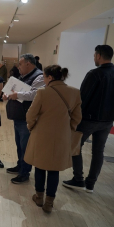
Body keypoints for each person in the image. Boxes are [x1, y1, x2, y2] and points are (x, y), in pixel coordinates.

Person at [63, 45, 114, 193]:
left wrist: (74, 115)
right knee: (99, 151)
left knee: (75, 147)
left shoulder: (94, 74)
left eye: (94, 55)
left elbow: (82, 98)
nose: (94, 58)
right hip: (108, 121)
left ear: (99, 56)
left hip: (88, 119)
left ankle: (78, 179)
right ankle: (90, 184)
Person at [24, 65, 82, 213]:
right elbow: (77, 117)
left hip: (42, 134)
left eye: (44, 76)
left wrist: (31, 127)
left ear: (50, 77)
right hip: (62, 136)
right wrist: (68, 130)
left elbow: (31, 115)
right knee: (54, 170)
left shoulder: (43, 92)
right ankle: (49, 203)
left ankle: (39, 197)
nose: (43, 79)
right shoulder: (75, 92)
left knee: (40, 166)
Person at [3, 53, 45, 184]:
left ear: (28, 63)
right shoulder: (23, 76)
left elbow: (36, 94)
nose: (18, 66)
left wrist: (17, 94)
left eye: (20, 64)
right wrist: (8, 94)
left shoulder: (39, 77)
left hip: (27, 118)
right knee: (19, 144)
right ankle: (20, 165)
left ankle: (24, 172)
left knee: (25, 146)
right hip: (19, 116)